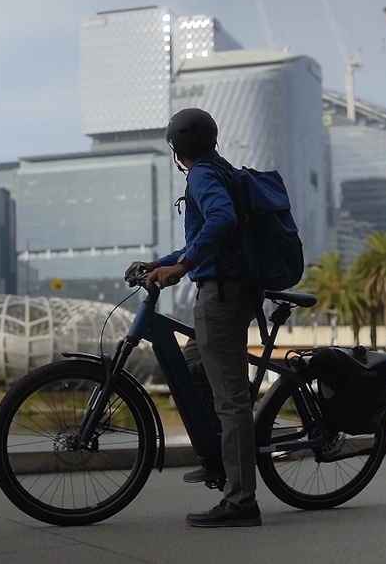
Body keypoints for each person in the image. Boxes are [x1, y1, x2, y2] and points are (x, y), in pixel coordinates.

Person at [125, 108, 261, 528]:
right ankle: (220, 457)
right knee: (191, 369)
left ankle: (241, 503)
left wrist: (181, 269)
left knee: (231, 399)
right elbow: (207, 236)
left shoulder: (202, 175)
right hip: (227, 290)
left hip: (221, 297)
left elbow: (221, 220)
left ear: (177, 147)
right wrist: (160, 263)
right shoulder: (219, 169)